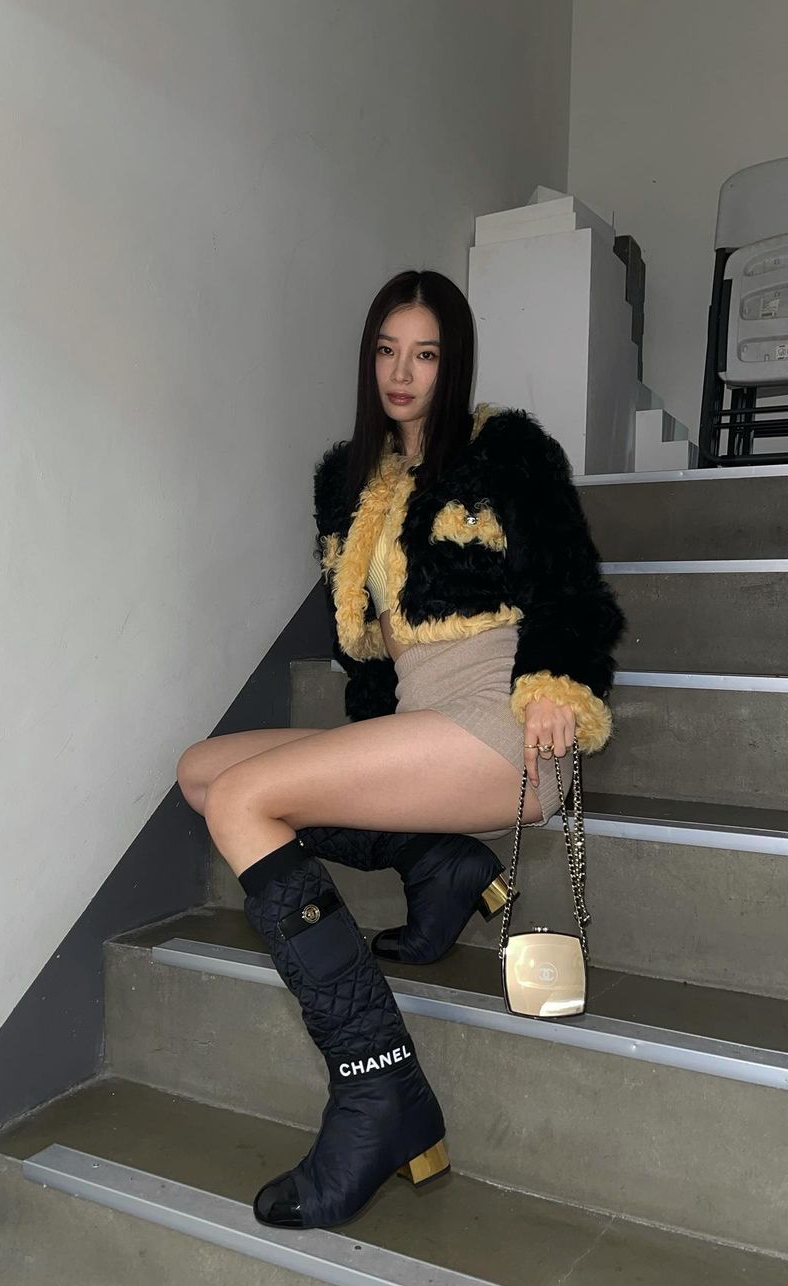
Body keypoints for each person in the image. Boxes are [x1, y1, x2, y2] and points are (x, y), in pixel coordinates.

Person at [176, 269, 627, 1231]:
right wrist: (357, 745)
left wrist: (556, 686)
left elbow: (573, 585)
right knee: (203, 772)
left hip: (501, 726)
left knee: (244, 803)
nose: (403, 372)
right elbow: (370, 658)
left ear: (452, 362)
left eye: (425, 353)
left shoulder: (506, 449)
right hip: (420, 723)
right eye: (387, 350)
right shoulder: (351, 482)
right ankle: (436, 861)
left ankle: (378, 1084)